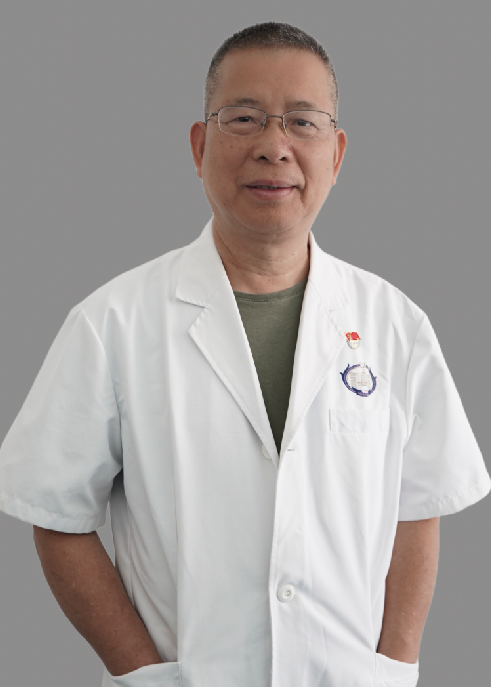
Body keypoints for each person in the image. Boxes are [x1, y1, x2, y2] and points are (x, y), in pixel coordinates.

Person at [0, 21, 489, 687]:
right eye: (244, 118)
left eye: (302, 122)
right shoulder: (111, 323)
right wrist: (142, 672)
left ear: (337, 154)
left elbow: (418, 502)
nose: (273, 146)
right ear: (199, 146)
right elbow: (56, 515)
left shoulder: (396, 325)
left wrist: (395, 665)